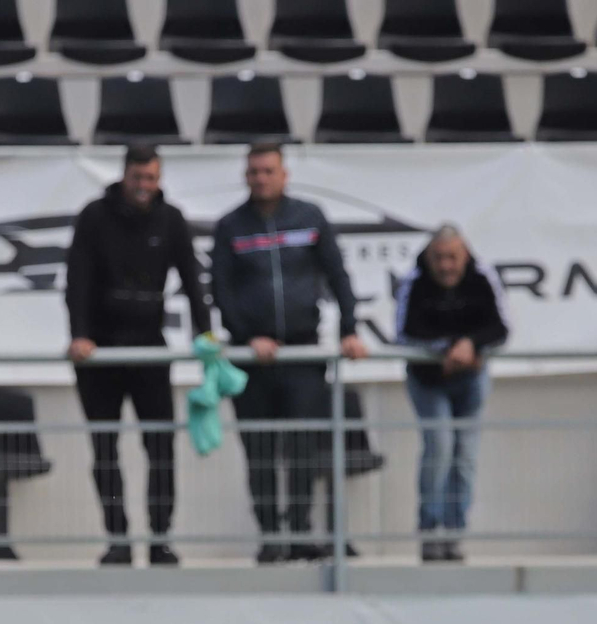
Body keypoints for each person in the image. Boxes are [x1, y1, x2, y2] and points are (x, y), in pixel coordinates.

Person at [210, 143, 366, 564]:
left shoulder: (310, 218)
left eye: (268, 170)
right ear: (246, 176)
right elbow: (221, 290)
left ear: (284, 174)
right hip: (251, 360)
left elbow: (337, 274)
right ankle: (270, 537)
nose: (261, 178)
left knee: (301, 449)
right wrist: (246, 337)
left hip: (302, 354)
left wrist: (350, 328)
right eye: (254, 172)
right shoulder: (230, 227)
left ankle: (299, 533)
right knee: (259, 450)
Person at [65, 145, 209, 567]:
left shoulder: (172, 219)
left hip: (150, 346)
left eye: (150, 179)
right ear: (124, 176)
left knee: (161, 446)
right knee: (104, 447)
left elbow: (191, 279)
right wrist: (79, 335)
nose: (143, 187)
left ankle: (161, 537)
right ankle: (118, 538)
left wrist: (206, 335)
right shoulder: (94, 216)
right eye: (136, 179)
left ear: (158, 179)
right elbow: (76, 280)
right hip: (101, 350)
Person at [393, 225, 508, 563]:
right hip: (428, 380)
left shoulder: (482, 277)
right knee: (439, 447)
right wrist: (446, 350)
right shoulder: (414, 281)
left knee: (465, 456)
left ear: (465, 256)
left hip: (471, 379)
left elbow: (501, 327)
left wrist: (470, 345)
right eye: (439, 258)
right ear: (429, 258)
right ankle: (430, 531)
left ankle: (454, 534)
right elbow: (403, 332)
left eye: (452, 258)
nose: (446, 266)